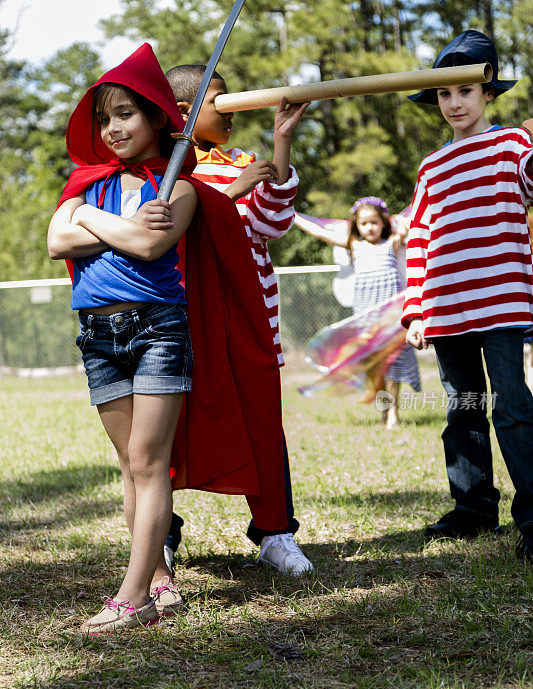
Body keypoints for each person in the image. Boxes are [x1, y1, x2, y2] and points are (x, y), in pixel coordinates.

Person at [48, 45, 293, 633]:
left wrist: (89, 223)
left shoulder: (180, 187)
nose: (114, 128)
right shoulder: (85, 184)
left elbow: (151, 247)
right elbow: (57, 241)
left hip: (157, 327)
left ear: (159, 117)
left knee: (147, 461)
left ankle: (132, 596)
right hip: (97, 331)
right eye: (104, 118)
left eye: (127, 114)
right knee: (128, 467)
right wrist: (99, 221)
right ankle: (159, 581)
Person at [162, 63, 314, 576]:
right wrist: (229, 191)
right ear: (185, 112)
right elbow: (168, 232)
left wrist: (279, 146)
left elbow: (272, 223)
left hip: (251, 316)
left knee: (262, 421)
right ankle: (160, 535)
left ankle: (275, 532)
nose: (231, 109)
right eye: (219, 101)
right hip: (182, 318)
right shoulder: (163, 169)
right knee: (166, 426)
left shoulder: (244, 160)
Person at [401, 30, 533, 562]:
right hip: (447, 307)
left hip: (501, 302)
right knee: (463, 408)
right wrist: (415, 306)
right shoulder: (431, 166)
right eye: (443, 93)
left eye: (465, 92)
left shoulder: (512, 146)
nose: (454, 103)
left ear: (488, 95)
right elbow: (420, 236)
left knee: (514, 409)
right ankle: (474, 507)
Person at [295, 197, 421, 428]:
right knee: (375, 365)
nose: (369, 228)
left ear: (384, 223)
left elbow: (417, 222)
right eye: (364, 223)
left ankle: (393, 413)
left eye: (374, 222)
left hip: (392, 317)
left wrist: (402, 225)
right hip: (366, 316)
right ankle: (384, 410)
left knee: (394, 361)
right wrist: (294, 216)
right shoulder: (354, 245)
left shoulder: (393, 242)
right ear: (356, 225)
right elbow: (320, 232)